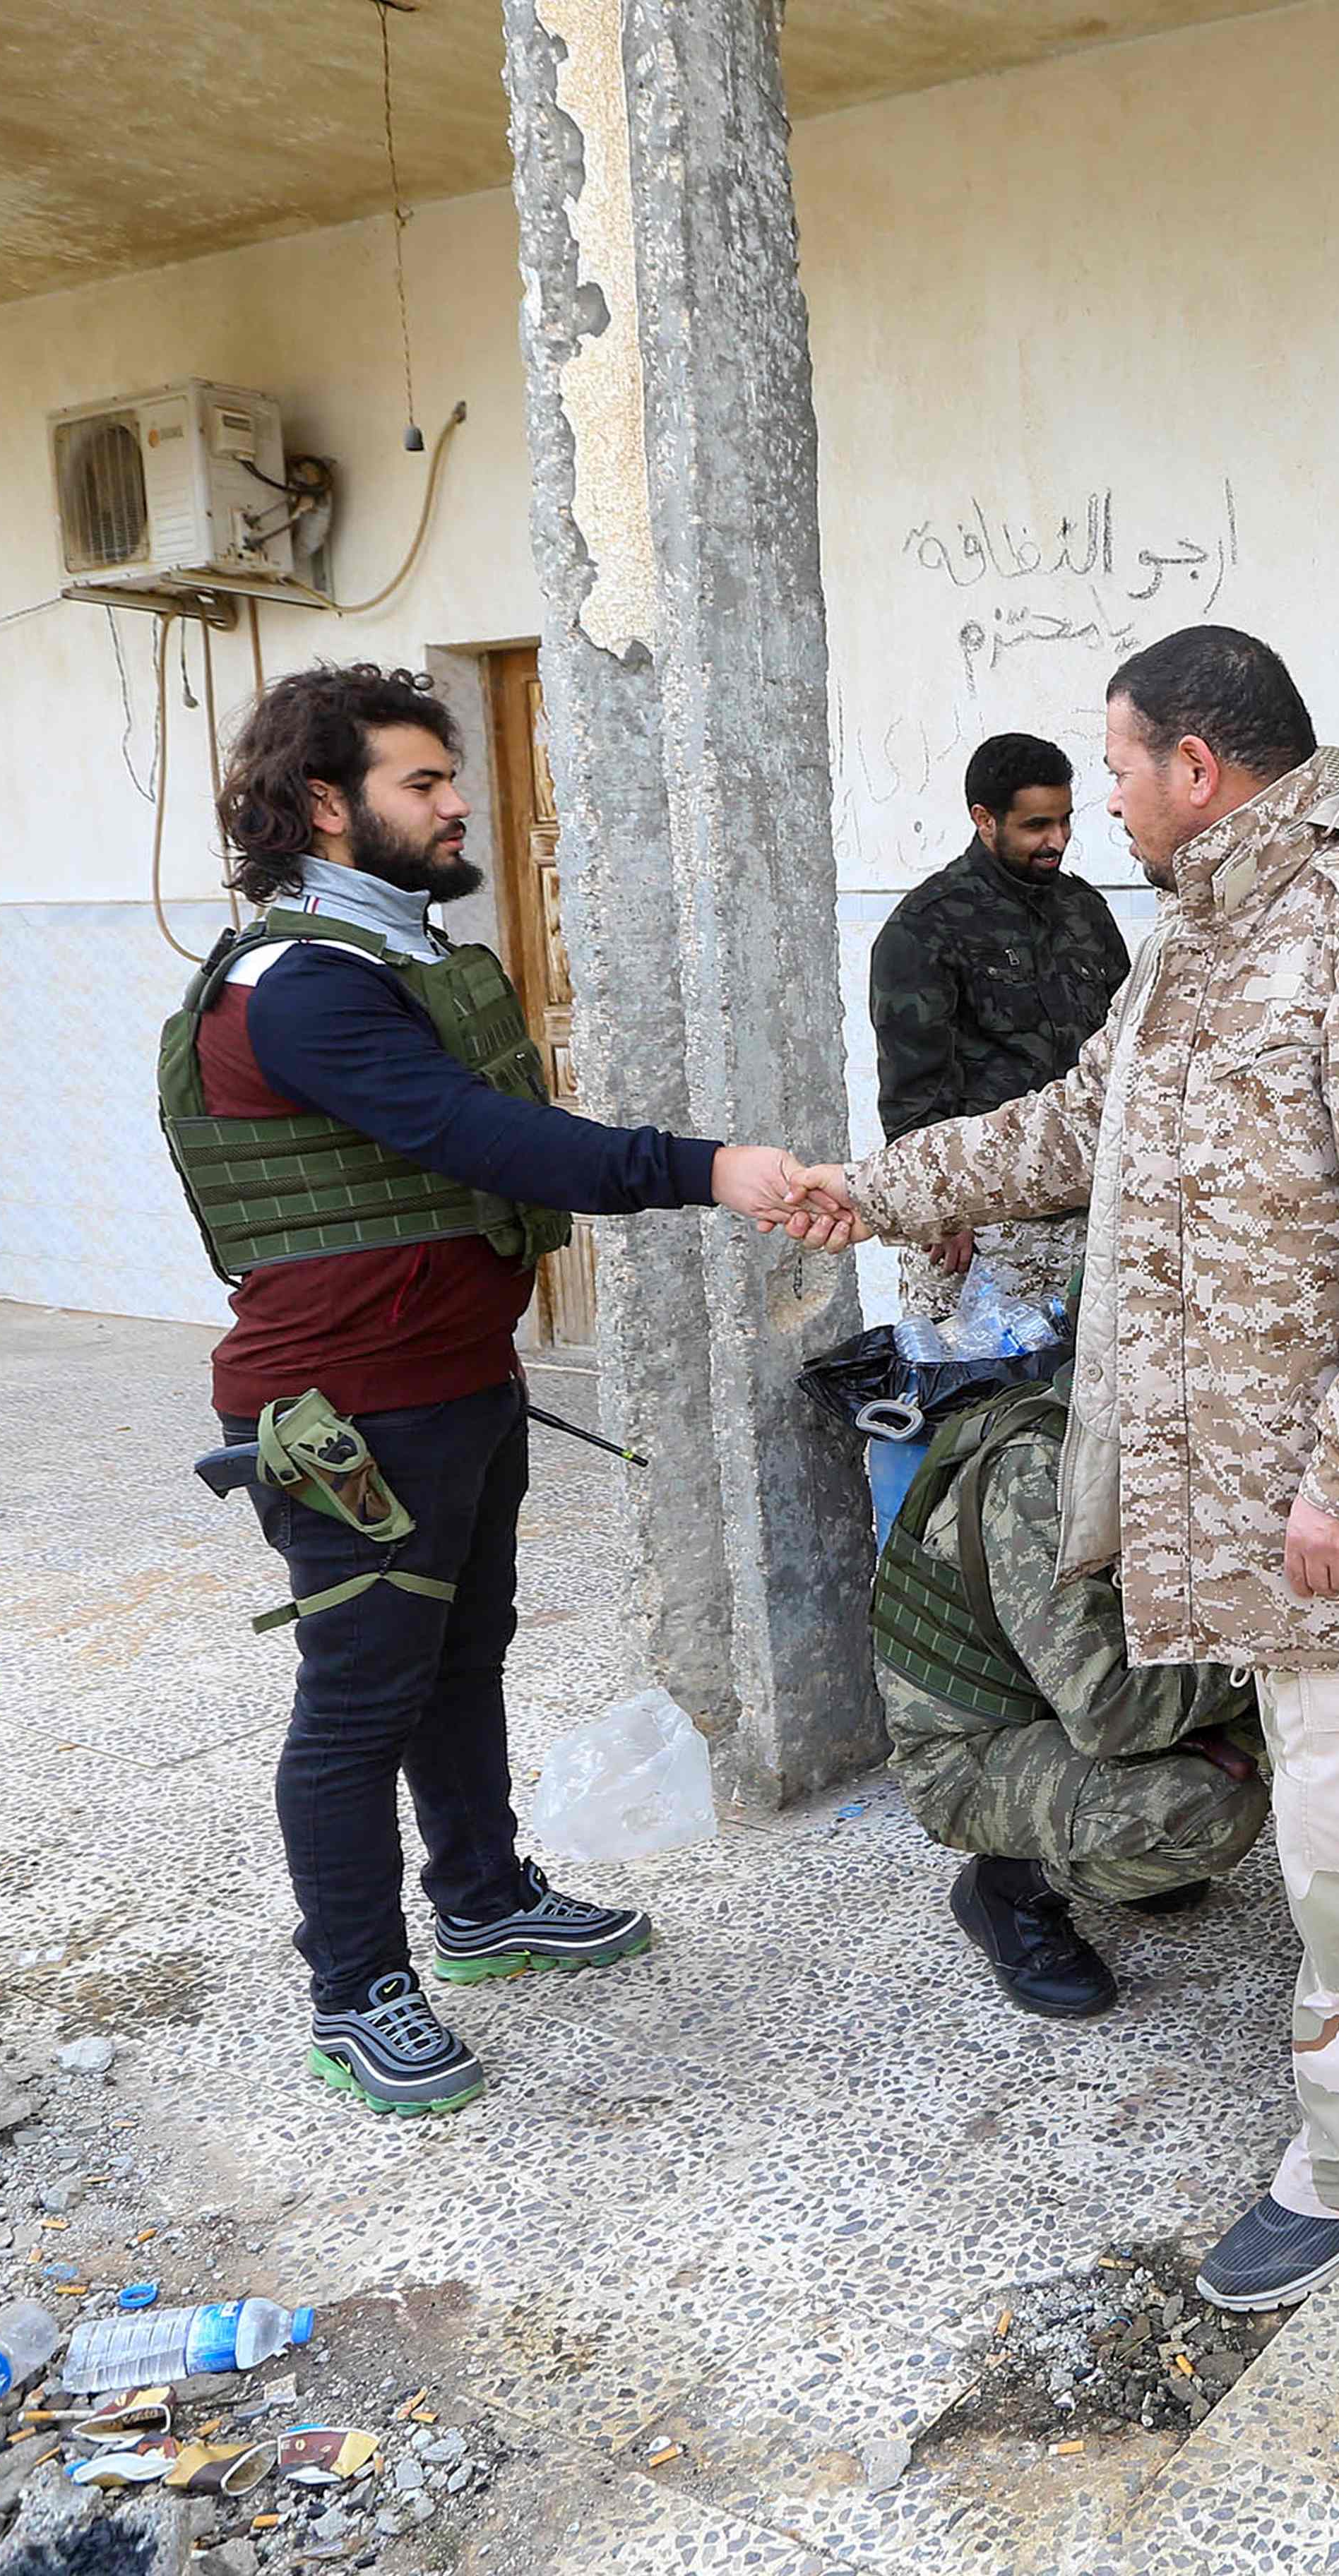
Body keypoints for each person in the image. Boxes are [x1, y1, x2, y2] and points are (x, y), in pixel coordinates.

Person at [783, 626, 1339, 2313]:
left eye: (1122, 765)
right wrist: (874, 1190)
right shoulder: (1198, 944)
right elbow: (1074, 1126)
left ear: (1199, 769)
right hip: (1281, 1487)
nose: (1105, 803)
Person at [160, 664, 824, 2116]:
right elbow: (489, 1139)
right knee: (358, 1706)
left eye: (451, 778)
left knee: (463, 1665)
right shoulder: (298, 992)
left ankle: (480, 1900)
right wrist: (715, 1170)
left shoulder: (380, 963)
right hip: (345, 1421)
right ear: (324, 808)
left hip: (453, 1386)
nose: (459, 803)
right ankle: (354, 1990)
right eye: (421, 783)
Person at [870, 1366, 1274, 2020]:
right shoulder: (1042, 1472)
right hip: (966, 1758)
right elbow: (1107, 1710)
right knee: (1213, 1808)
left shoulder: (1122, 1427)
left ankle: (1106, 1838)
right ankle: (1007, 1892)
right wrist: (1252, 1669)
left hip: (1045, 1711)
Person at [867, 730, 1128, 1325]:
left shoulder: (1084, 912)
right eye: (1036, 825)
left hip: (1088, 1220)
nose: (1056, 841)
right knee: (970, 1403)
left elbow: (1124, 1043)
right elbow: (914, 1086)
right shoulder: (924, 929)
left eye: (1064, 821)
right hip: (981, 1235)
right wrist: (943, 1211)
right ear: (984, 819)